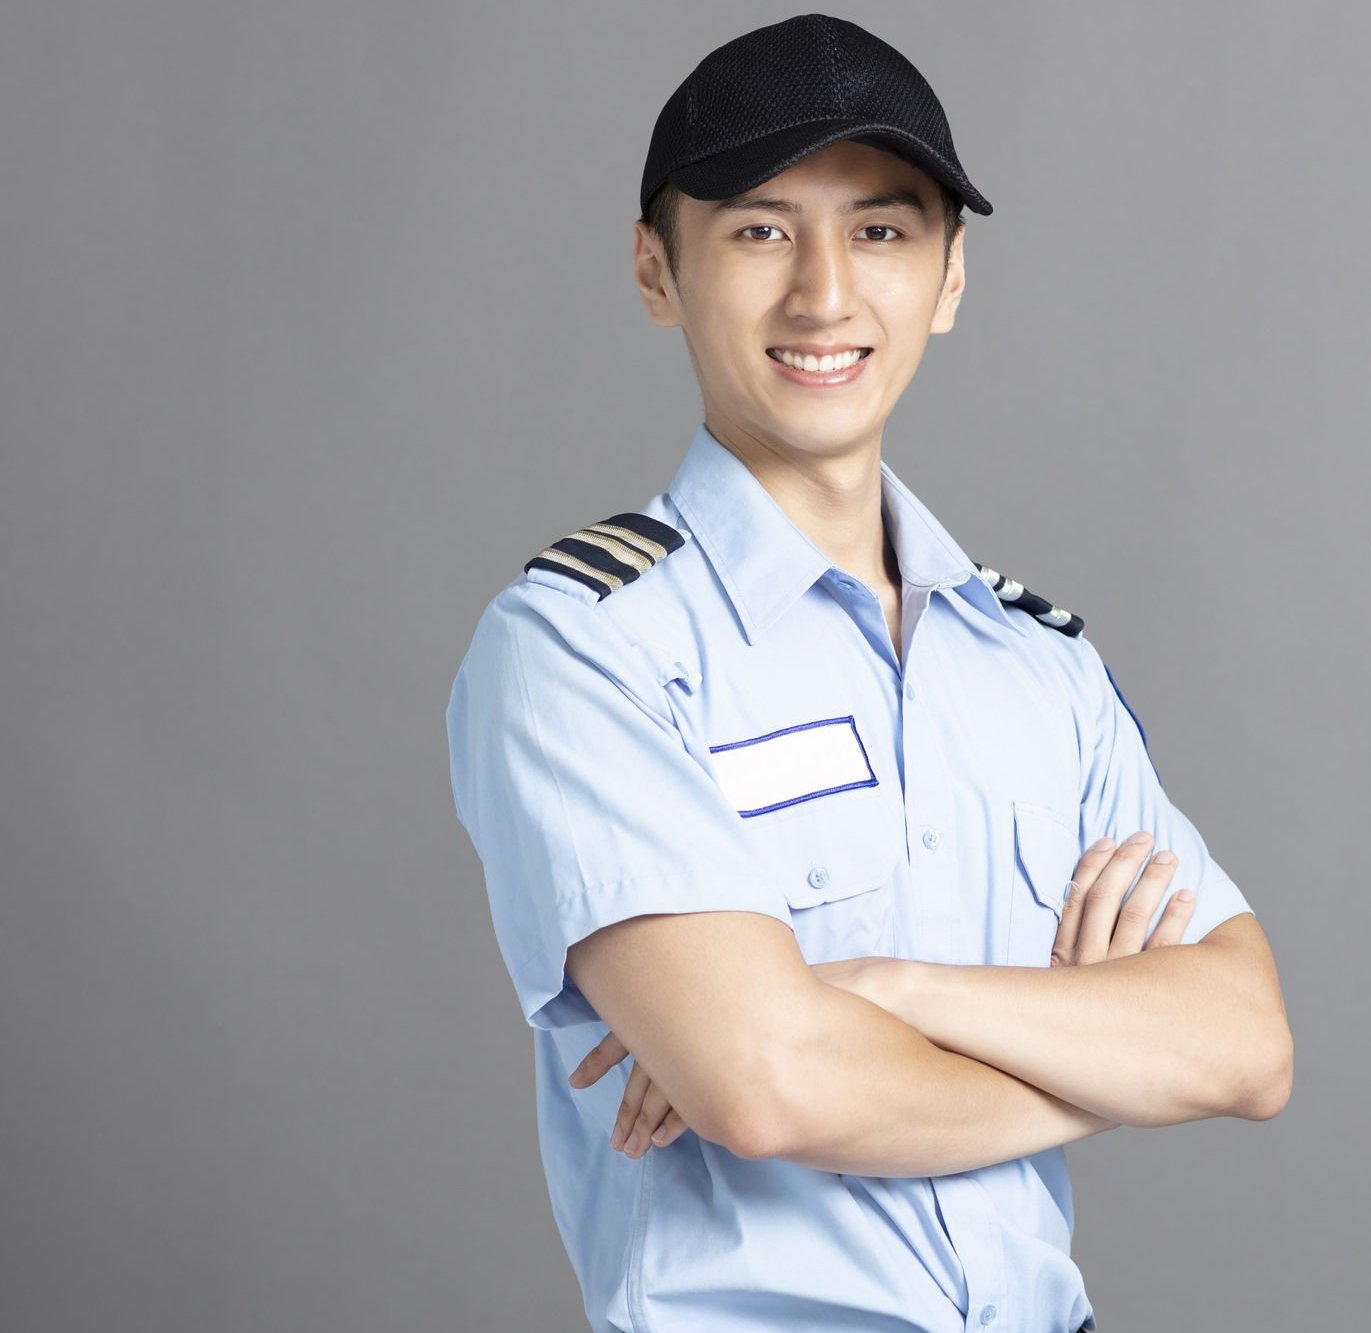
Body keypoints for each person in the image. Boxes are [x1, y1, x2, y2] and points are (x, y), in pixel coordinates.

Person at [442, 14, 1290, 1333]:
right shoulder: (584, 647)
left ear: (951, 279)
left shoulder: (1036, 666)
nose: (825, 294)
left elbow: (1244, 1039)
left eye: (883, 231)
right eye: (761, 229)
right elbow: (767, 1085)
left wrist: (896, 991)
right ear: (656, 269)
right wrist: (1099, 1053)